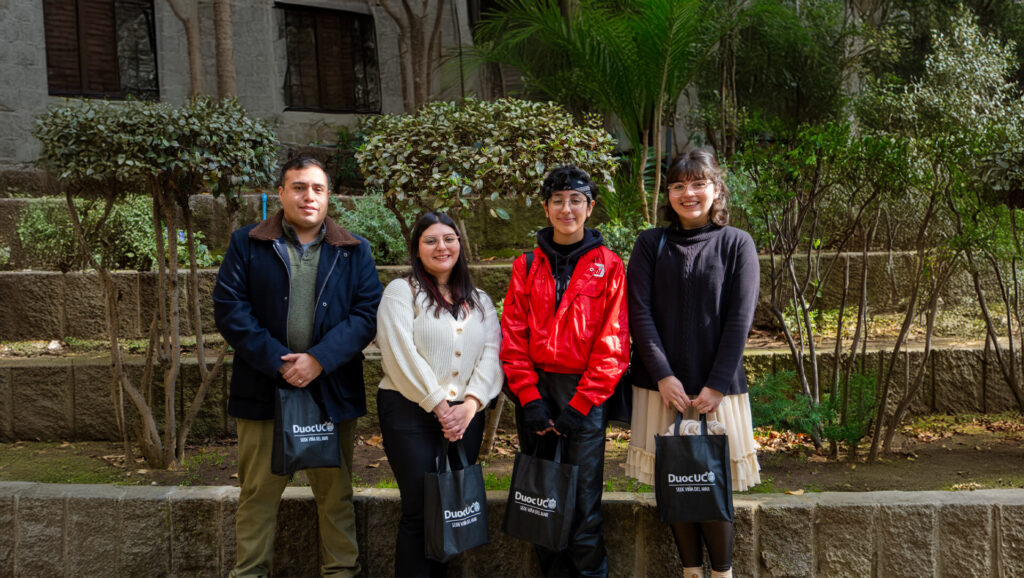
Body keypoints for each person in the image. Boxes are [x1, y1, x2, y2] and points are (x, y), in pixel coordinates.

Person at [213, 156, 383, 577]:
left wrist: (319, 360)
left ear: (329, 197)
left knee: (336, 495)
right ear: (282, 194)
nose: (309, 197)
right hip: (264, 389)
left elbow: (366, 314)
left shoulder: (353, 250)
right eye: (299, 187)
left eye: (318, 189)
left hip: (331, 391)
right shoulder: (247, 243)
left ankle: (341, 572)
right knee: (257, 494)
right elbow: (230, 309)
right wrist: (279, 362)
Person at [624, 149, 761, 578]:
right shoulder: (650, 243)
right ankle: (690, 572)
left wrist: (717, 384)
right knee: (677, 482)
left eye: (698, 183)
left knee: (712, 483)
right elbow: (639, 313)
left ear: (716, 189)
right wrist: (663, 376)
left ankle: (722, 573)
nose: (689, 193)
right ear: (669, 193)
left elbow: (740, 318)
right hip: (660, 387)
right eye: (679, 185)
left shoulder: (736, 242)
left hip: (717, 389)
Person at [501, 166, 629, 577]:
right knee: (541, 498)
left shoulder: (608, 266)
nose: (566, 208)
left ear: (590, 207)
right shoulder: (525, 265)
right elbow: (513, 337)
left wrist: (582, 405)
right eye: (558, 200)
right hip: (535, 393)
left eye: (576, 200)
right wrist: (530, 398)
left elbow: (614, 342)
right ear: (545, 207)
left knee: (583, 503)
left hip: (585, 396)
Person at [375, 211, 503, 577]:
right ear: (417, 249)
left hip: (465, 419)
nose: (441, 247)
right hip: (409, 414)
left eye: (449, 238)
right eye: (430, 240)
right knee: (419, 510)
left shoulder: (479, 299)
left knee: (452, 508)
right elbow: (398, 352)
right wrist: (440, 404)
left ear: (459, 245)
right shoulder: (402, 291)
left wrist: (472, 404)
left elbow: (492, 355)